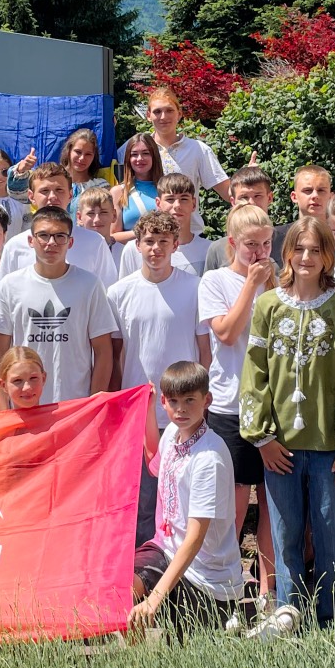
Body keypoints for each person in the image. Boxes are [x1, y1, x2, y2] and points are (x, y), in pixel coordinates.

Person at [240, 216, 335, 636]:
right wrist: (262, 437)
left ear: (328, 255)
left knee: (333, 532)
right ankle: (288, 616)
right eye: (299, 249)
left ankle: (334, 622)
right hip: (278, 446)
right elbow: (255, 374)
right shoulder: (268, 305)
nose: (307, 257)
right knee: (286, 533)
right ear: (287, 254)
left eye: (316, 249)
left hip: (331, 445)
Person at [108, 210, 211, 543]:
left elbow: (204, 350)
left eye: (163, 241)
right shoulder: (118, 293)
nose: (156, 249)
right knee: (143, 500)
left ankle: (180, 564)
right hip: (138, 414)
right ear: (137, 245)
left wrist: (201, 403)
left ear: (175, 245)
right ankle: (142, 565)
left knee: (182, 499)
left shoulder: (195, 287)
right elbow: (114, 355)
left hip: (183, 412)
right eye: (149, 241)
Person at [199, 203, 279, 618]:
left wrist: (271, 283)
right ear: (232, 243)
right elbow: (227, 334)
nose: (260, 253)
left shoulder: (279, 279)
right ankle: (228, 589)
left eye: (266, 244)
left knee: (272, 503)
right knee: (231, 505)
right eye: (251, 245)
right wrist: (251, 285)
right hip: (230, 404)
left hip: (275, 405)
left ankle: (269, 590)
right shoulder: (215, 280)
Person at [131, 360, 241, 637]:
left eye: (190, 400)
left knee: (174, 639)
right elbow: (153, 462)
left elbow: (194, 538)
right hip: (167, 551)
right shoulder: (173, 433)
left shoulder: (209, 459)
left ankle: (219, 623)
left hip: (206, 579)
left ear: (207, 400)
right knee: (123, 584)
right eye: (174, 401)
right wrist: (147, 409)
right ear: (165, 403)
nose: (181, 409)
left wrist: (154, 598)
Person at [0, 206, 120, 405]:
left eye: (59, 236)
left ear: (70, 242)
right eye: (43, 235)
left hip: (75, 405)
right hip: (25, 406)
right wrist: (3, 411)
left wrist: (93, 405)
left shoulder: (90, 284)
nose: (51, 243)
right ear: (31, 241)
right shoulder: (9, 285)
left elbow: (103, 351)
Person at [0, 164, 119, 285]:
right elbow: (3, 293)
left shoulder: (95, 242)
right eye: (44, 191)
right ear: (31, 196)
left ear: (70, 195)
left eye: (59, 190)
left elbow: (108, 290)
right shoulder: (15, 247)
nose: (52, 197)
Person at [145, 86, 232, 201]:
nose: (163, 116)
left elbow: (228, 193)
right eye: (157, 111)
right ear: (148, 116)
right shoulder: (137, 151)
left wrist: (249, 179)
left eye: (169, 110)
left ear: (179, 114)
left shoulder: (198, 149)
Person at [116, 174, 208, 276]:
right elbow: (126, 285)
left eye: (184, 199)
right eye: (170, 199)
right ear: (158, 203)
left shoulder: (208, 250)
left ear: (194, 204)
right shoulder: (134, 250)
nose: (177, 205)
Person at [203, 167, 276, 271]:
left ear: (269, 198)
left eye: (257, 196)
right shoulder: (218, 249)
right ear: (233, 202)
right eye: (244, 197)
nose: (251, 203)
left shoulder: (287, 242)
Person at [112, 133, 164, 240]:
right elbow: (113, 236)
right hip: (130, 250)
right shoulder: (118, 192)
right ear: (128, 159)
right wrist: (145, 233)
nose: (139, 158)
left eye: (145, 153)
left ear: (154, 156)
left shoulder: (167, 189)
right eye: (134, 154)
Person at [0, 345, 48, 412]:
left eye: (33, 378)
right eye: (17, 380)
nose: (27, 387)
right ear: (4, 385)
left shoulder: (59, 418)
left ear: (43, 378)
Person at [60, 126, 110, 201]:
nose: (82, 158)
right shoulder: (53, 181)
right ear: (69, 150)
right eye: (78, 152)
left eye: (88, 154)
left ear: (94, 156)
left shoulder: (101, 187)